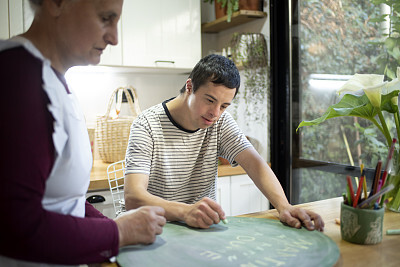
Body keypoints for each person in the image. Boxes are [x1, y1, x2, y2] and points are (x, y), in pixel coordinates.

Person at [0, 0, 166, 266]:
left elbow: (67, 200)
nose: (114, 38)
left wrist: (115, 225)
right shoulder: (18, 77)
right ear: (56, 4)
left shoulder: (54, 79)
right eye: (105, 18)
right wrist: (119, 232)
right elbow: (17, 227)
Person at [124, 54, 325, 231]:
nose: (215, 113)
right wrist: (186, 212)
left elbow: (255, 163)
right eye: (210, 100)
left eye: (224, 106)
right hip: (157, 229)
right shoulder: (146, 124)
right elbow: (133, 197)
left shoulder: (219, 122)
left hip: (203, 230)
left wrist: (284, 207)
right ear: (189, 86)